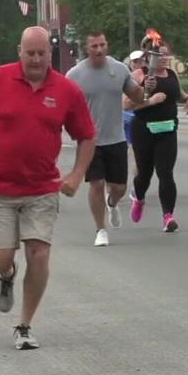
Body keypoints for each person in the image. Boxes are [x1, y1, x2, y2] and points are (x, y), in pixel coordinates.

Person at [0, 26, 95, 350]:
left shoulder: (66, 90)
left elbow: (86, 136)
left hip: (42, 189)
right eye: (30, 53)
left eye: (41, 53)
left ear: (50, 53)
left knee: (39, 253)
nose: (35, 59)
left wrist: (76, 175)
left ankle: (24, 325)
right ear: (19, 51)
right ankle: (6, 276)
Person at [66, 32, 144, 247]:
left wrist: (142, 87)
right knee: (97, 183)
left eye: (102, 45)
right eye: (94, 46)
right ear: (86, 48)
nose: (99, 50)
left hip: (116, 137)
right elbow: (65, 105)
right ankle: (101, 229)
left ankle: (113, 202)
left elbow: (137, 97)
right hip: (90, 140)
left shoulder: (118, 69)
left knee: (118, 187)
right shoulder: (74, 75)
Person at [127, 43, 188, 232]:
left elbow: (179, 94)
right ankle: (138, 197)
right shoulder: (140, 75)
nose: (164, 58)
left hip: (167, 130)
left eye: (166, 55)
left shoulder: (171, 75)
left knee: (165, 173)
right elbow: (127, 105)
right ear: (149, 57)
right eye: (160, 55)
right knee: (145, 174)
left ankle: (168, 216)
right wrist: (149, 100)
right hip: (143, 130)